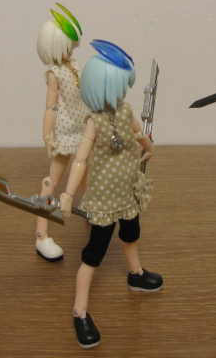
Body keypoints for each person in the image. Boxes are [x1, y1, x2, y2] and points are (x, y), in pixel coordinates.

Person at [59, 41, 162, 348]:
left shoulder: (126, 110)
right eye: (120, 86)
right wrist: (68, 194)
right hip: (104, 200)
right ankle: (80, 312)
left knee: (131, 235)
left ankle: (136, 274)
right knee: (93, 255)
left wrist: (149, 148)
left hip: (128, 193)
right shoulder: (94, 121)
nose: (123, 93)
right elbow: (80, 160)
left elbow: (139, 133)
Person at [34, 4, 90, 261]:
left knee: (84, 172)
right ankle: (41, 236)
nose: (72, 50)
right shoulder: (54, 73)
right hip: (66, 132)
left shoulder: (74, 64)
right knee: (52, 181)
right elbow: (51, 106)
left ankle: (89, 209)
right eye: (69, 45)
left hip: (84, 128)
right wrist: (47, 135)